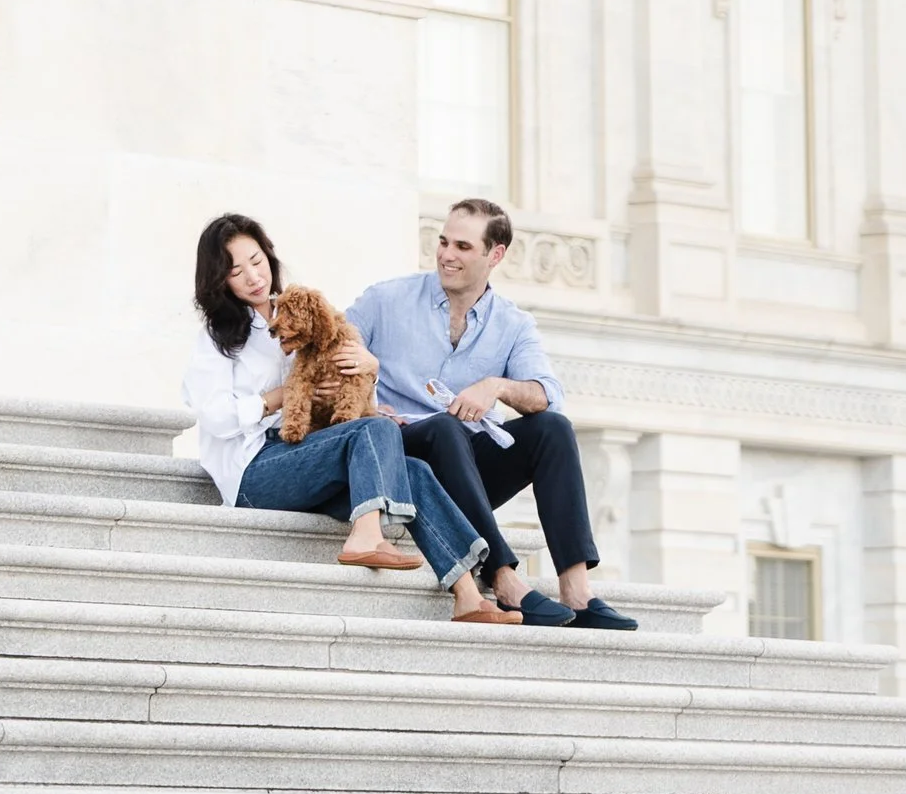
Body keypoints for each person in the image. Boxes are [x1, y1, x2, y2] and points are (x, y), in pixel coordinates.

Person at [181, 210, 512, 623]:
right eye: (235, 270)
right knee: (373, 429)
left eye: (257, 261)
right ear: (219, 280)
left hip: (304, 455)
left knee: (414, 472)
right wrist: (280, 397)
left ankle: (467, 596)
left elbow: (340, 383)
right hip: (254, 471)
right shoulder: (217, 338)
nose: (252, 277)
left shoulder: (296, 313)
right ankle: (366, 534)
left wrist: (368, 369)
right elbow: (216, 419)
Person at [347, 197, 636, 628]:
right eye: (443, 242)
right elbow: (329, 351)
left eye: (463, 247)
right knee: (445, 427)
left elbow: (548, 395)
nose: (446, 254)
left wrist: (496, 386)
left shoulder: (512, 324)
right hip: (403, 456)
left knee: (553, 429)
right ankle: (501, 575)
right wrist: (366, 400)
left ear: (494, 255)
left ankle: (576, 590)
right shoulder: (386, 300)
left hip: (465, 464)